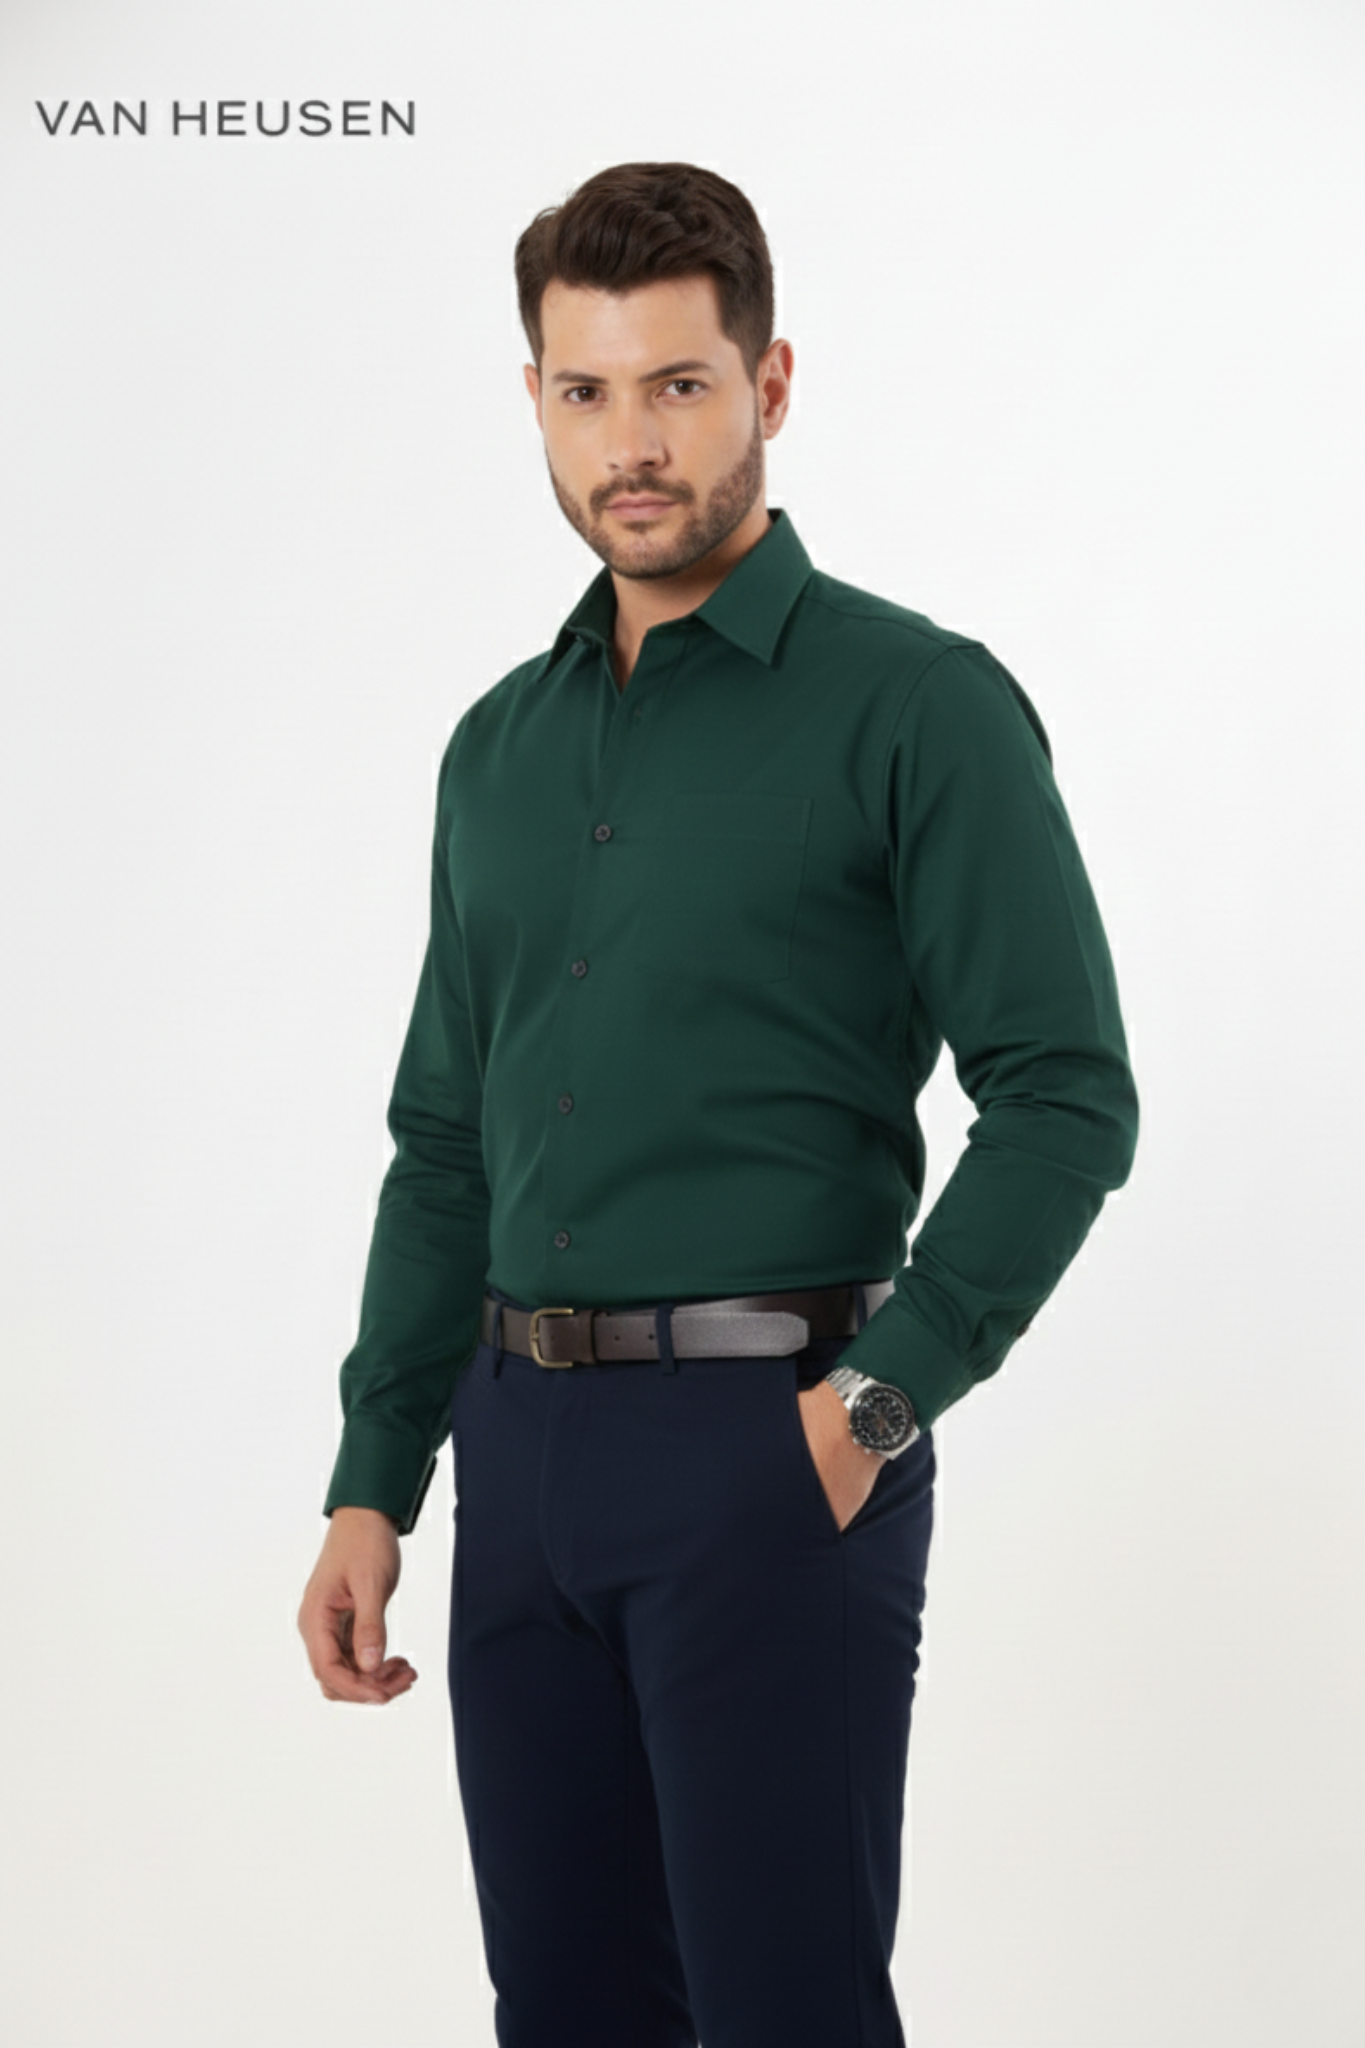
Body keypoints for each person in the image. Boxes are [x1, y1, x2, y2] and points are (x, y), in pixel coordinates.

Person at [298, 161, 1140, 2048]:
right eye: (586, 391)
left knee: (786, 2012)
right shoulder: (497, 748)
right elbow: (446, 1140)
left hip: (772, 1446)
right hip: (518, 1454)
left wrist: (873, 1407)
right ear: (534, 400)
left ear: (771, 383)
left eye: (679, 385)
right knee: (565, 2009)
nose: (633, 445)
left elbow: (1067, 1094)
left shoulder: (917, 707)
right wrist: (377, 1473)